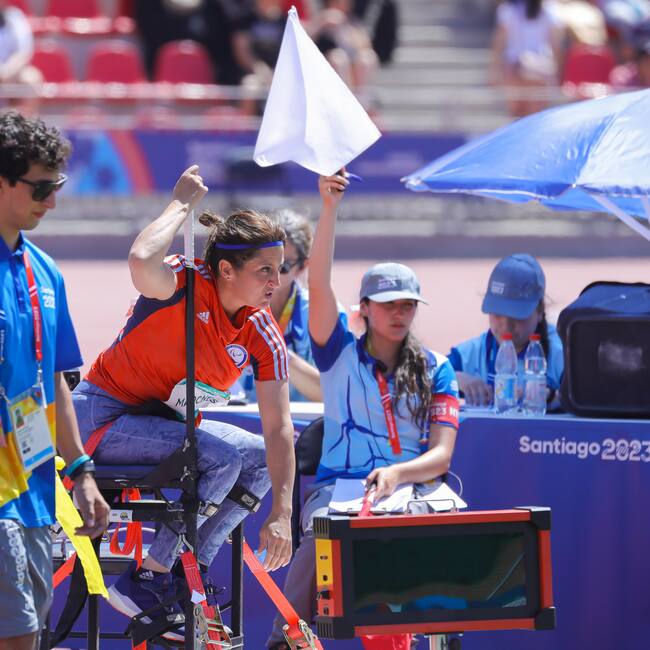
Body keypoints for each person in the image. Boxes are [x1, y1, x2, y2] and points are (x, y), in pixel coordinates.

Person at [71, 165, 295, 639]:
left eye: (280, 269)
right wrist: (179, 204)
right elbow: (140, 261)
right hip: (103, 416)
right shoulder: (185, 282)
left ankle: (184, 574)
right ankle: (147, 579)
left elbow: (278, 430)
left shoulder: (263, 332)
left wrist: (282, 512)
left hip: (164, 424)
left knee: (256, 457)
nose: (276, 282)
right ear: (227, 270)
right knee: (220, 458)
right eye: (265, 270)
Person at [266, 172, 460, 650]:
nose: (399, 313)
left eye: (408, 305)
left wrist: (397, 474)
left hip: (413, 488)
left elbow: (441, 457)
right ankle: (286, 638)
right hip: (339, 489)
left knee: (457, 531)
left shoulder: (438, 368)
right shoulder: (337, 354)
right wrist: (329, 209)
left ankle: (444, 636)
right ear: (365, 308)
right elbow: (318, 282)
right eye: (388, 304)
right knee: (321, 535)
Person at [0, 111, 109, 650]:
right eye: (41, 188)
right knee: (19, 634)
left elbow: (56, 382)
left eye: (56, 186)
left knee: (30, 633)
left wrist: (82, 471)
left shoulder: (46, 271)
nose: (53, 202)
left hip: (37, 493)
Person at [238, 208, 346, 403]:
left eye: (283, 266)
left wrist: (275, 350)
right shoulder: (231, 308)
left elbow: (336, 394)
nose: (272, 277)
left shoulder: (325, 314)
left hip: (303, 422)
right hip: (237, 419)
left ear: (303, 266)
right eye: (263, 265)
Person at [448, 253, 564, 408]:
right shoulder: (469, 355)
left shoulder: (562, 355)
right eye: (498, 314)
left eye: (517, 315)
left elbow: (589, 395)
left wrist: (553, 397)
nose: (506, 325)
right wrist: (456, 379)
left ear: (540, 311)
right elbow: (424, 378)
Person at [490, 0, 564, 117]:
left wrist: (494, 69)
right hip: (541, 68)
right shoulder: (550, 9)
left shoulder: (508, 9)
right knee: (535, 117)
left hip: (513, 66)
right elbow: (555, 44)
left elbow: (499, 42)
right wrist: (557, 72)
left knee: (517, 115)